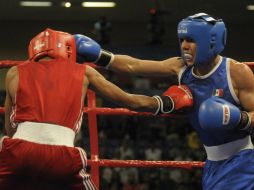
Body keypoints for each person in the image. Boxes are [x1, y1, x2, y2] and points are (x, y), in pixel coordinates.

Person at [74, 12, 254, 189]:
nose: (184, 46)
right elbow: (134, 65)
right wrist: (99, 56)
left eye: (191, 40)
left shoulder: (236, 72)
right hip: (212, 164)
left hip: (242, 160)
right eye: (182, 39)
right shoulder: (180, 67)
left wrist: (239, 118)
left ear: (211, 42)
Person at [0, 28, 193, 189]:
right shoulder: (84, 72)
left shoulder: (14, 72)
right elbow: (131, 101)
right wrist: (168, 103)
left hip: (17, 153)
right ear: (68, 50)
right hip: (63, 157)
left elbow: (10, 129)